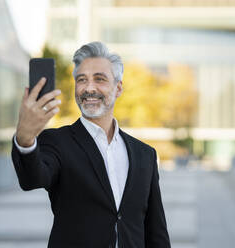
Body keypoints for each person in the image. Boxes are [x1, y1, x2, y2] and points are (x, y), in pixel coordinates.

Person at [11, 41, 171, 248]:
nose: (89, 88)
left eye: (100, 79)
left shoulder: (145, 155)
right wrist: (25, 138)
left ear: (118, 88)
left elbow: (156, 231)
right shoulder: (56, 142)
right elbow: (32, 178)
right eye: (82, 80)